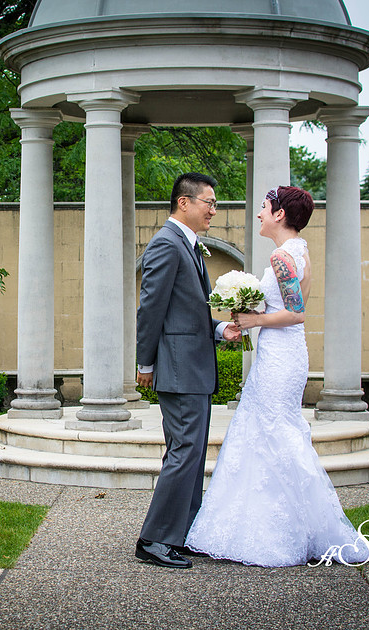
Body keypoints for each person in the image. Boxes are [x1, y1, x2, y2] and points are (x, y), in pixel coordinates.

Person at [185, 186, 369, 567]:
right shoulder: (298, 251)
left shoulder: (282, 256)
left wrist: (253, 319)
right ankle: (277, 524)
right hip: (282, 353)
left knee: (274, 432)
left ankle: (278, 533)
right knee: (266, 433)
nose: (259, 214)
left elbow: (296, 313)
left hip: (281, 358)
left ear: (280, 214)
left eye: (264, 208)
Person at [135, 172, 241, 569]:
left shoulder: (189, 245)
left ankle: (182, 534)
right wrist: (146, 363)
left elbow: (186, 312)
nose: (213, 210)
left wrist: (218, 328)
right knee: (184, 452)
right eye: (208, 203)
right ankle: (154, 540)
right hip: (180, 370)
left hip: (194, 368)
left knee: (192, 454)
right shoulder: (167, 243)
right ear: (184, 202)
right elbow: (151, 309)